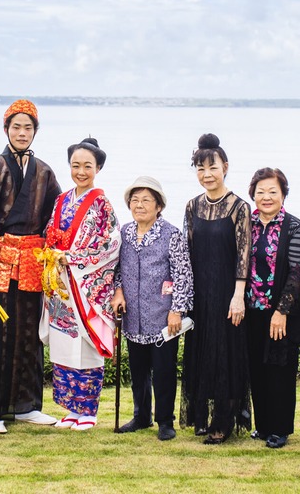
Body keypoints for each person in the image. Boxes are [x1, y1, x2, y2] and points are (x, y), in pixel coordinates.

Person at [0, 99, 62, 434]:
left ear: (36, 131)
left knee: (29, 334)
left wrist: (56, 259)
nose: (22, 133)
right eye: (16, 126)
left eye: (28, 127)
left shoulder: (45, 172)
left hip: (33, 262)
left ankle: (27, 406)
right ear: (6, 129)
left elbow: (55, 219)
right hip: (0, 261)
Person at [40, 137, 121, 430]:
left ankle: (88, 411)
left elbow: (111, 244)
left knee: (86, 347)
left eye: (88, 166)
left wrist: (73, 257)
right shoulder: (61, 200)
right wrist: (52, 253)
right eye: (76, 165)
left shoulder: (101, 203)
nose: (81, 172)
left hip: (85, 284)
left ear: (98, 168)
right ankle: (71, 410)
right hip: (61, 284)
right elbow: (50, 232)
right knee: (64, 344)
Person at [180, 133, 251, 445]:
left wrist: (238, 296)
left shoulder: (239, 207)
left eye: (212, 167)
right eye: (201, 168)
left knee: (226, 355)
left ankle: (223, 421)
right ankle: (201, 418)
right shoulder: (192, 206)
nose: (207, 174)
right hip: (199, 293)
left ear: (225, 167)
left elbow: (244, 254)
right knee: (200, 353)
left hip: (227, 293)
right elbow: (186, 252)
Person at [111, 176, 193, 442]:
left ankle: (165, 421)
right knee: (138, 371)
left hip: (162, 316)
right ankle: (141, 415)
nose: (139, 205)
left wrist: (177, 310)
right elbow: (116, 270)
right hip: (133, 316)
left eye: (146, 200)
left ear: (159, 206)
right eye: (134, 200)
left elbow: (183, 275)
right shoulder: (124, 233)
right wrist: (118, 291)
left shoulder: (171, 234)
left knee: (164, 371)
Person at [244, 167, 300, 449]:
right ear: (253, 195)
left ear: (283, 194)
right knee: (256, 368)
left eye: (273, 191)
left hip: (282, 311)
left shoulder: (294, 227)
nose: (267, 197)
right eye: (261, 192)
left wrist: (281, 311)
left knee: (280, 370)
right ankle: (262, 426)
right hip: (251, 310)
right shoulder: (246, 224)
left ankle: (280, 429)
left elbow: (296, 273)